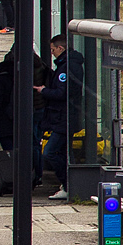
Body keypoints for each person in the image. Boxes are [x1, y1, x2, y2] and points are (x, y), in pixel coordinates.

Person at [37, 32, 85, 200]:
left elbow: (62, 93)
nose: (52, 53)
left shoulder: (67, 66)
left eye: (53, 50)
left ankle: (67, 184)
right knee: (64, 152)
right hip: (64, 117)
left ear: (60, 48)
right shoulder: (68, 63)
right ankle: (68, 185)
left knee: (50, 152)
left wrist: (44, 91)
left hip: (63, 118)